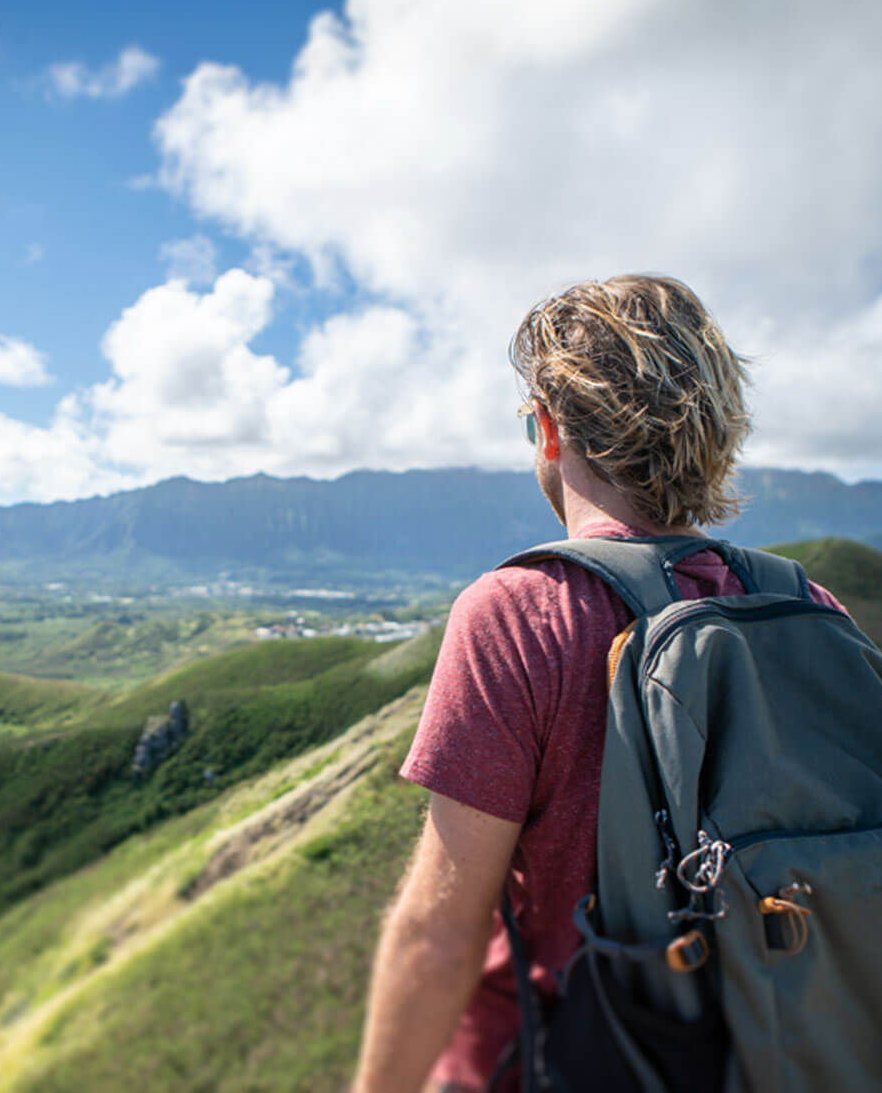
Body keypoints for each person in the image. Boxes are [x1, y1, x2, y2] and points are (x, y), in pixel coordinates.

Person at [351, 274, 845, 1093]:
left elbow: (441, 932)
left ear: (548, 429)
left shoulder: (519, 614)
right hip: (774, 1058)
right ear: (721, 428)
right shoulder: (811, 610)